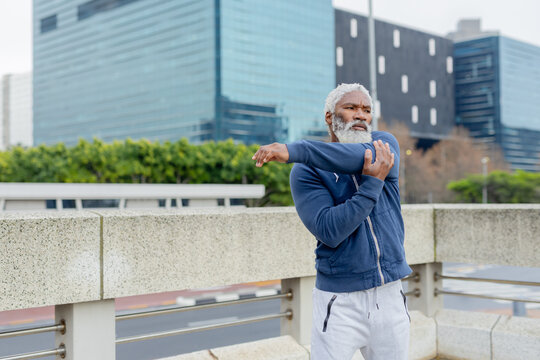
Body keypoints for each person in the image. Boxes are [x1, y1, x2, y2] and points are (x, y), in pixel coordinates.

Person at [252, 83, 412, 360]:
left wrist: (294, 149)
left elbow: (357, 157)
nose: (361, 115)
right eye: (350, 108)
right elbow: (330, 230)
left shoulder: (385, 146)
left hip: (389, 295)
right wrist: (371, 185)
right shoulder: (306, 170)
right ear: (330, 117)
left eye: (366, 110)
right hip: (339, 301)